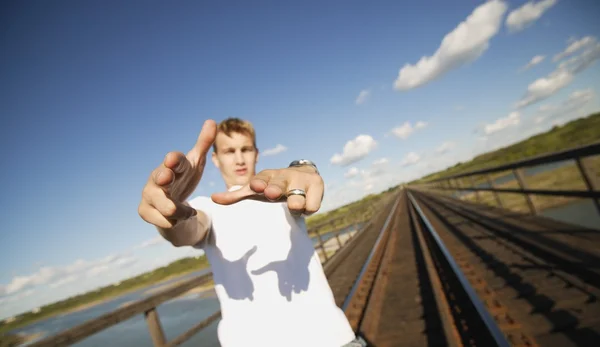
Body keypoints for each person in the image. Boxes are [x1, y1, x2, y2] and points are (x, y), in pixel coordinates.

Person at [138, 118, 366, 347]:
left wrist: (305, 168)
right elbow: (186, 230)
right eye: (229, 151)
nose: (239, 159)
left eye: (245, 149)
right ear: (215, 159)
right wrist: (170, 209)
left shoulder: (281, 192)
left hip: (329, 337)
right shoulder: (209, 207)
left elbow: (302, 181)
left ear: (256, 153)